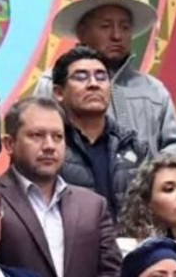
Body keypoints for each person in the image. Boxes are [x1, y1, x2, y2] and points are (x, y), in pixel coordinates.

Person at [0, 97, 123, 277]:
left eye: (57, 137)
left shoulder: (92, 204)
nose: (49, 146)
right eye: (37, 135)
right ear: (9, 143)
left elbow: (113, 276)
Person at [36, 0, 176, 154]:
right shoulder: (53, 83)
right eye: (105, 26)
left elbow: (175, 149)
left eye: (125, 27)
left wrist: (152, 178)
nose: (116, 35)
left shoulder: (154, 91)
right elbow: (37, 143)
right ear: (81, 33)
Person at [52, 45, 153, 217]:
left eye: (101, 77)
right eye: (81, 77)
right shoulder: (49, 147)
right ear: (59, 92)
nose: (93, 84)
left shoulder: (133, 147)